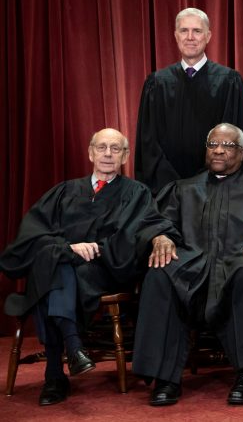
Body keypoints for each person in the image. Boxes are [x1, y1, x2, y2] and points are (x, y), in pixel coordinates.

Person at [131, 124, 243, 406]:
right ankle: (165, 378)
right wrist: (160, 236)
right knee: (160, 272)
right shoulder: (183, 189)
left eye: (229, 145)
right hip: (192, 267)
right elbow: (154, 221)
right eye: (213, 144)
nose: (220, 149)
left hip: (239, 262)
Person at [0, 128, 152, 406]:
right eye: (102, 147)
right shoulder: (64, 191)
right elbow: (31, 235)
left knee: (51, 268)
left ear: (125, 155)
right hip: (63, 269)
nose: (107, 154)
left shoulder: (136, 193)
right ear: (90, 152)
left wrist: (89, 249)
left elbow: (130, 240)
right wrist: (67, 249)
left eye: (115, 149)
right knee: (56, 263)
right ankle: (73, 347)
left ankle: (55, 373)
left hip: (103, 270)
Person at [135, 7, 243, 195]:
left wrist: (206, 179)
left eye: (197, 31)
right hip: (166, 190)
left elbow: (238, 138)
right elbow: (148, 142)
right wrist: (172, 184)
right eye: (184, 31)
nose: (190, 37)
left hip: (218, 188)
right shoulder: (157, 83)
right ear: (176, 36)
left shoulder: (229, 81)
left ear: (208, 36)